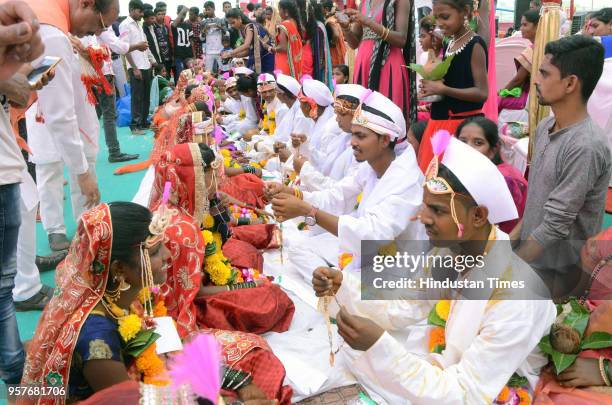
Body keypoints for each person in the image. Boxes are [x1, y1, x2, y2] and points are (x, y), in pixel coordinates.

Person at [311, 135, 555, 404]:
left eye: (437, 210)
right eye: (425, 205)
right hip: (454, 371)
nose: (423, 218)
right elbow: (408, 304)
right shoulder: (450, 251)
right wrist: (343, 285)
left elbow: (466, 393)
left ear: (477, 216)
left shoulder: (515, 298)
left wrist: (380, 347)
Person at [268, 91, 425, 274]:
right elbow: (337, 196)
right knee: (298, 249)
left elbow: (371, 235)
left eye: (360, 136)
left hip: (396, 267)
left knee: (338, 278)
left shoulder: (407, 180)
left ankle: (340, 287)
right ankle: (339, 285)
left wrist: (307, 210)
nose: (352, 142)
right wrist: (293, 194)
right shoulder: (371, 166)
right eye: (353, 135)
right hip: (363, 251)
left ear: (384, 140)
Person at [149, 143, 294, 336]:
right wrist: (245, 285)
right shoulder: (183, 230)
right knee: (271, 298)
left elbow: (221, 238)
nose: (217, 179)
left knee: (245, 253)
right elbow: (196, 293)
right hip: (195, 304)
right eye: (211, 173)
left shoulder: (176, 200)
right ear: (196, 177)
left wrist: (219, 209)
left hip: (205, 275)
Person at [512, 35, 610, 297]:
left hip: (558, 274)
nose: (535, 80)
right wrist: (506, 248)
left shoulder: (586, 145)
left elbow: (555, 225)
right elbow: (537, 203)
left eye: (544, 73)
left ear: (570, 83)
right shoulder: (546, 126)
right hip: (533, 261)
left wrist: (509, 270)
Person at [27, 0, 117, 252]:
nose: (97, 34)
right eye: (99, 26)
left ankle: (85, 226)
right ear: (87, 4)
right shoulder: (52, 31)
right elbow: (58, 111)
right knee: (48, 168)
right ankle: (54, 230)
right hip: (45, 111)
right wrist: (82, 172)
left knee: (85, 161)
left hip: (77, 105)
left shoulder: (60, 23)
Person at [0, 0, 45, 385]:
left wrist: (20, 78)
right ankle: (16, 375)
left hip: (7, 164)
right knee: (2, 284)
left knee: (4, 282)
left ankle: (13, 363)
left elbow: (12, 97)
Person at [416, 0, 489, 173]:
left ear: (465, 11)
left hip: (459, 128)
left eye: (445, 17)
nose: (439, 22)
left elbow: (482, 93)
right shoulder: (450, 43)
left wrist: (443, 89)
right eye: (436, 17)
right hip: (441, 124)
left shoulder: (475, 44)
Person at [79, 28, 143, 163]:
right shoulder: (101, 27)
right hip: (103, 76)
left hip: (90, 75)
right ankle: (114, 151)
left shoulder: (84, 30)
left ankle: (85, 153)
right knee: (109, 115)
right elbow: (118, 47)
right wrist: (137, 45)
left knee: (94, 114)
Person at [341, 0, 413, 117]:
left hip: (387, 63)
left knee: (386, 116)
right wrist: (345, 28)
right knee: (363, 118)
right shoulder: (364, 3)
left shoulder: (399, 1)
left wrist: (368, 22)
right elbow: (354, 44)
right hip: (363, 63)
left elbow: (401, 39)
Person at [456, 117, 527, 234]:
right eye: (462, 142)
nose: (467, 148)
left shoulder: (504, 180)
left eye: (478, 143)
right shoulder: (475, 173)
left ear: (493, 151)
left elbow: (502, 231)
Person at [295, 83, 365, 191]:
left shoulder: (361, 149)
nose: (336, 119)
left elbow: (342, 193)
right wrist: (306, 146)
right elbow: (326, 162)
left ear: (356, 115)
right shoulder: (344, 136)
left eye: (340, 114)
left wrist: (306, 171)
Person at [120, 0, 156, 135]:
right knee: (137, 97)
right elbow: (125, 48)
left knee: (146, 97)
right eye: (140, 12)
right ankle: (135, 125)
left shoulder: (138, 25)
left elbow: (145, 47)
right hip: (136, 66)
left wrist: (152, 61)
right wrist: (134, 68)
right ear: (132, 10)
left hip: (146, 65)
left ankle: (144, 122)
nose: (142, 14)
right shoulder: (125, 25)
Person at [497, 9, 539, 113]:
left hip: (529, 98)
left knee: (496, 100)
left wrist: (501, 94)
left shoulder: (535, 49)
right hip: (534, 95)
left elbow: (518, 79)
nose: (521, 29)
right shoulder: (538, 47)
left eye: (525, 25)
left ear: (537, 26)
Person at [223, 8, 275, 74]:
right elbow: (249, 50)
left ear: (239, 18)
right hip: (258, 57)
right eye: (230, 24)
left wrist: (230, 53)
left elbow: (246, 45)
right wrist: (235, 55)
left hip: (266, 57)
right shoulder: (242, 30)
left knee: (266, 80)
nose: (232, 26)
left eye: (233, 22)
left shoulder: (249, 27)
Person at [297, 0, 333, 87]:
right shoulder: (309, 25)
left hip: (311, 61)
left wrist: (320, 65)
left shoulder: (318, 26)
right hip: (304, 58)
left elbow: (320, 53)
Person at [274, 0, 303, 79]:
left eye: (279, 9)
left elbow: (283, 48)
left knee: (284, 86)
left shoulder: (285, 24)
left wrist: (272, 49)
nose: (279, 12)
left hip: (285, 61)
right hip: (294, 62)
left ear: (286, 11)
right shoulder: (294, 22)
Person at [202, 1, 225, 74]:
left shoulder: (220, 20)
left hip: (220, 50)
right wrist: (205, 30)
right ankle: (208, 85)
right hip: (209, 51)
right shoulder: (203, 22)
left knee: (224, 71)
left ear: (214, 8)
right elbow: (201, 38)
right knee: (208, 73)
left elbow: (227, 34)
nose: (207, 11)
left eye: (209, 9)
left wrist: (219, 27)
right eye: (206, 10)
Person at [322, 0, 347, 66]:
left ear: (326, 9)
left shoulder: (330, 21)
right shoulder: (335, 18)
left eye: (321, 9)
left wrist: (331, 43)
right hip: (342, 51)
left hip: (335, 53)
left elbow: (336, 34)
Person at [172, 5, 194, 79]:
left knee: (190, 75)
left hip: (188, 54)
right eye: (181, 14)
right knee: (181, 76)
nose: (183, 16)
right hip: (178, 55)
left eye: (184, 14)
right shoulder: (173, 24)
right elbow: (174, 24)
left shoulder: (188, 25)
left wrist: (193, 56)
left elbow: (191, 41)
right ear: (177, 13)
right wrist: (183, 11)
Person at [153, 7, 173, 79]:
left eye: (162, 14)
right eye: (159, 14)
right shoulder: (153, 27)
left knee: (168, 76)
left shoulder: (166, 27)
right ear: (155, 15)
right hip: (160, 57)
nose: (161, 16)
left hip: (168, 55)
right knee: (161, 77)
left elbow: (169, 40)